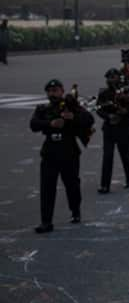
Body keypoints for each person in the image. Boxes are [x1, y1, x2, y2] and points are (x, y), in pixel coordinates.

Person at [30, 79, 94, 232]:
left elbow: (89, 120)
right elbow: (33, 124)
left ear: (62, 91)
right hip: (50, 152)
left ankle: (75, 211)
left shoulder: (71, 106)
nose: (53, 94)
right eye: (50, 91)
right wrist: (50, 124)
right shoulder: (43, 109)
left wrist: (73, 117)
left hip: (69, 152)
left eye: (56, 90)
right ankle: (46, 221)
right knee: (47, 188)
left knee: (72, 185)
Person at [96, 68, 129, 192]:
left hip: (123, 127)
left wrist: (126, 112)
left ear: (119, 78)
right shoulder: (103, 93)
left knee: (125, 154)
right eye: (109, 78)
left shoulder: (127, 91)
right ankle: (105, 185)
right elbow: (98, 108)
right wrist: (108, 116)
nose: (111, 80)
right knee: (107, 156)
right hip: (109, 127)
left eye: (114, 77)